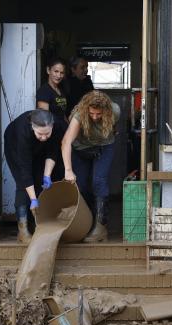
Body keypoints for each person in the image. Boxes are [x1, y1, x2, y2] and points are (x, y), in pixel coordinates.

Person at [61, 91, 119, 243]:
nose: (94, 117)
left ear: (106, 111)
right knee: (81, 184)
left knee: (98, 181)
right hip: (81, 149)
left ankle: (101, 228)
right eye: (91, 113)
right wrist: (68, 170)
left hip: (104, 147)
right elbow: (66, 141)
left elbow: (115, 128)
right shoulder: (79, 115)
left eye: (98, 114)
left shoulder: (115, 111)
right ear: (86, 109)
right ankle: (85, 223)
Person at [4, 109, 62, 243]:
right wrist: (33, 199)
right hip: (14, 146)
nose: (44, 137)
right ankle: (23, 230)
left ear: (52, 126)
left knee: (38, 179)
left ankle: (37, 225)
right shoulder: (22, 132)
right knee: (23, 184)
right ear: (32, 127)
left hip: (38, 149)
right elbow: (24, 169)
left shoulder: (56, 126)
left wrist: (47, 176)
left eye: (47, 133)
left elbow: (53, 152)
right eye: (40, 134)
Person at [36, 57, 68, 126]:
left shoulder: (61, 90)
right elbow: (44, 119)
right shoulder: (44, 91)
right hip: (53, 132)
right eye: (56, 71)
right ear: (48, 70)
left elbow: (62, 114)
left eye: (62, 73)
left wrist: (68, 128)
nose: (59, 76)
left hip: (62, 130)